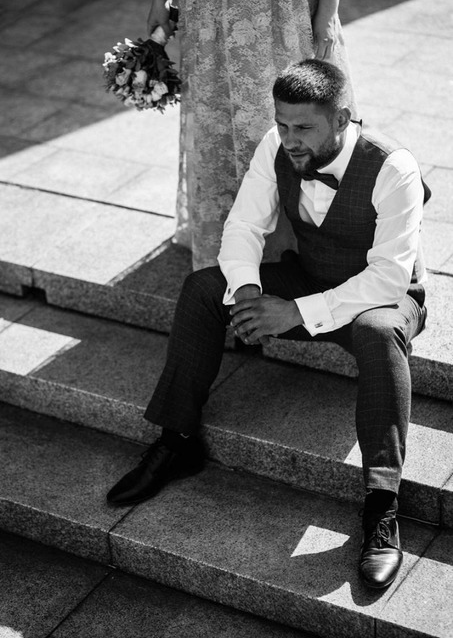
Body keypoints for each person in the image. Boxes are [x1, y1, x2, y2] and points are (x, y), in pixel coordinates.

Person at [107, 59, 429, 590]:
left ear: (342, 118)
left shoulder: (394, 168)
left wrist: (294, 312)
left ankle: (382, 504)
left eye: (303, 127)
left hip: (381, 298)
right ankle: (178, 439)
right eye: (282, 123)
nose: (289, 138)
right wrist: (250, 294)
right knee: (205, 289)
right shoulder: (276, 146)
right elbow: (243, 226)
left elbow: (390, 278)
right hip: (311, 276)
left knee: (378, 332)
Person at [147, 0, 356, 269]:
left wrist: (328, 10)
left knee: (289, 113)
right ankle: (230, 242)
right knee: (217, 117)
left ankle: (297, 247)